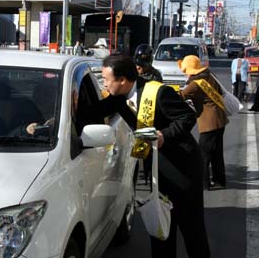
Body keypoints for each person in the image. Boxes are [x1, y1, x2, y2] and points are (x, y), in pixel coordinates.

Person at [84, 55, 210, 258]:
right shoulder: (118, 98)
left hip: (182, 168)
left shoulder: (159, 92)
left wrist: (164, 135)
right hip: (155, 170)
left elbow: (187, 117)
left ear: (123, 80)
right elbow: (93, 112)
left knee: (190, 227)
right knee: (160, 226)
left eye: (107, 79)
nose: (104, 84)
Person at [179, 55, 228, 189]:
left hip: (209, 124)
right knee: (216, 153)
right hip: (220, 118)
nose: (185, 73)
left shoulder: (196, 84)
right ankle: (220, 180)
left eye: (186, 70)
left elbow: (181, 96)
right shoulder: (209, 75)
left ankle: (203, 183)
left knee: (202, 155)